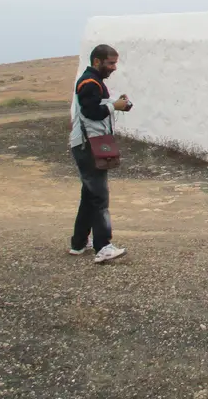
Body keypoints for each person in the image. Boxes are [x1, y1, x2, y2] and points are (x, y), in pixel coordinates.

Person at [69, 44, 132, 263]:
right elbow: (92, 112)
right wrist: (114, 106)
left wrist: (118, 104)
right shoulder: (89, 83)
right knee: (99, 197)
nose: (114, 67)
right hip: (88, 146)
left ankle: (78, 243)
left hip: (89, 145)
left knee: (89, 195)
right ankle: (103, 246)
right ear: (97, 61)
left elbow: (98, 107)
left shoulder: (95, 83)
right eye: (111, 63)